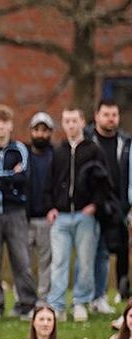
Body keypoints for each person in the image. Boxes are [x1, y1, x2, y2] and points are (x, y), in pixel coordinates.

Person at [45, 108, 110, 322]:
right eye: (67, 121)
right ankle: (57, 305)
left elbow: (104, 182)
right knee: (59, 262)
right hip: (61, 217)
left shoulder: (94, 150)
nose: (71, 125)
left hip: (85, 216)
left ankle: (80, 302)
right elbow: (49, 182)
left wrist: (95, 205)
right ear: (63, 124)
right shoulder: (57, 151)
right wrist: (50, 207)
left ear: (82, 122)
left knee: (85, 262)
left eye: (74, 120)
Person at [0, 104, 37, 323]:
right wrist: (10, 176)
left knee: (22, 259)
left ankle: (27, 304)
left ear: (11, 126)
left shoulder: (20, 149)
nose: (1, 127)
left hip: (15, 211)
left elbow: (24, 178)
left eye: (5, 122)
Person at [88, 100, 131, 306]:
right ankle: (92, 295)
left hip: (120, 204)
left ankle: (121, 290)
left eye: (114, 114)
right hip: (92, 205)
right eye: (106, 114)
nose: (110, 119)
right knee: (92, 253)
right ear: (97, 116)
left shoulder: (126, 142)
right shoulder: (87, 140)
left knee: (120, 249)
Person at [26, 113, 54, 306]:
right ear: (31, 131)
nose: (40, 134)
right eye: (37, 130)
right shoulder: (23, 155)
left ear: (50, 132)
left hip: (47, 217)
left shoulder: (55, 156)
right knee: (24, 263)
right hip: (25, 218)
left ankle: (43, 300)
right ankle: (26, 300)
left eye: (44, 130)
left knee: (46, 262)